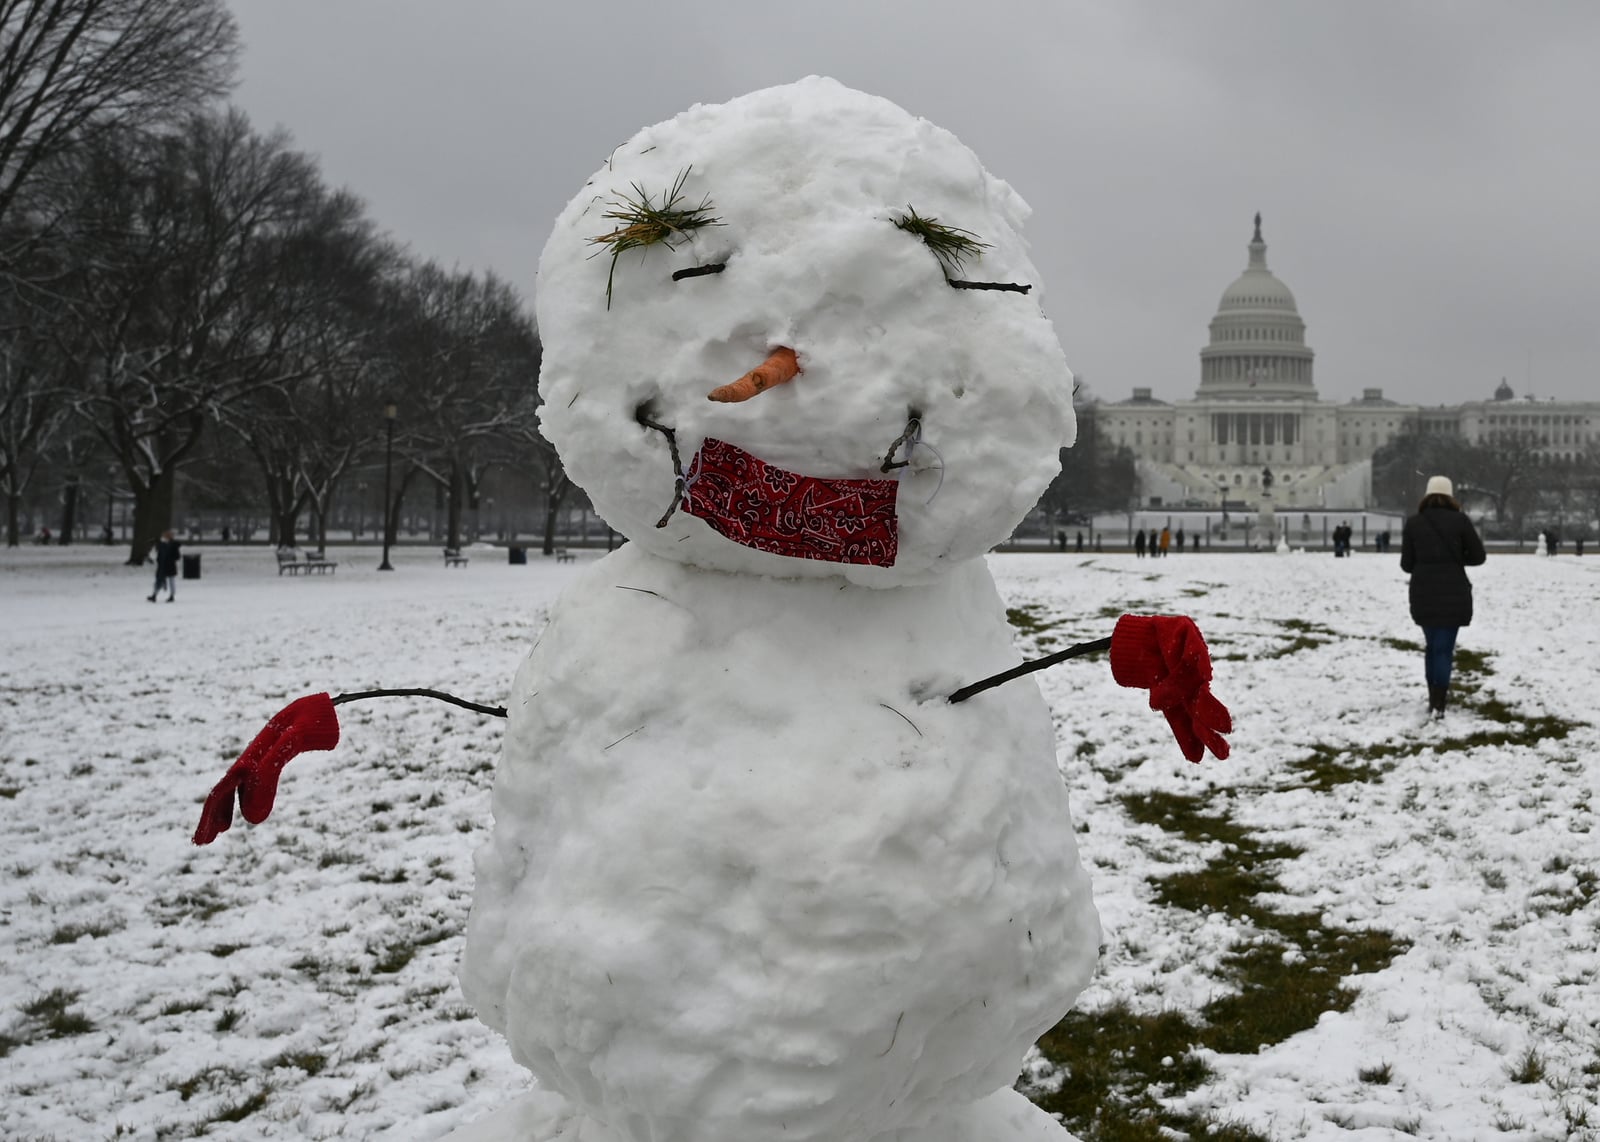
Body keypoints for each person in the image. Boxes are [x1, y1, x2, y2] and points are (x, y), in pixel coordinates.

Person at [1400, 476, 1486, 719]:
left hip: (1423, 592)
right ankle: (1440, 700)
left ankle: (1432, 698)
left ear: (1427, 495)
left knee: (1431, 647)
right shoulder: (1460, 521)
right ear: (1450, 496)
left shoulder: (1414, 524)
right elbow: (1479, 556)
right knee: (1444, 650)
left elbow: (1407, 565)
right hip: (1453, 591)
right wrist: (1456, 559)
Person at [149, 529, 181, 603]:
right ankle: (154, 595)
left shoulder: (173, 545)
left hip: (170, 565)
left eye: (164, 536)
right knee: (159, 580)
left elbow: (177, 557)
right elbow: (159, 555)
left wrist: (169, 558)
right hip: (162, 566)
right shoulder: (162, 545)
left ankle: (171, 595)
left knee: (170, 581)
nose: (162, 538)